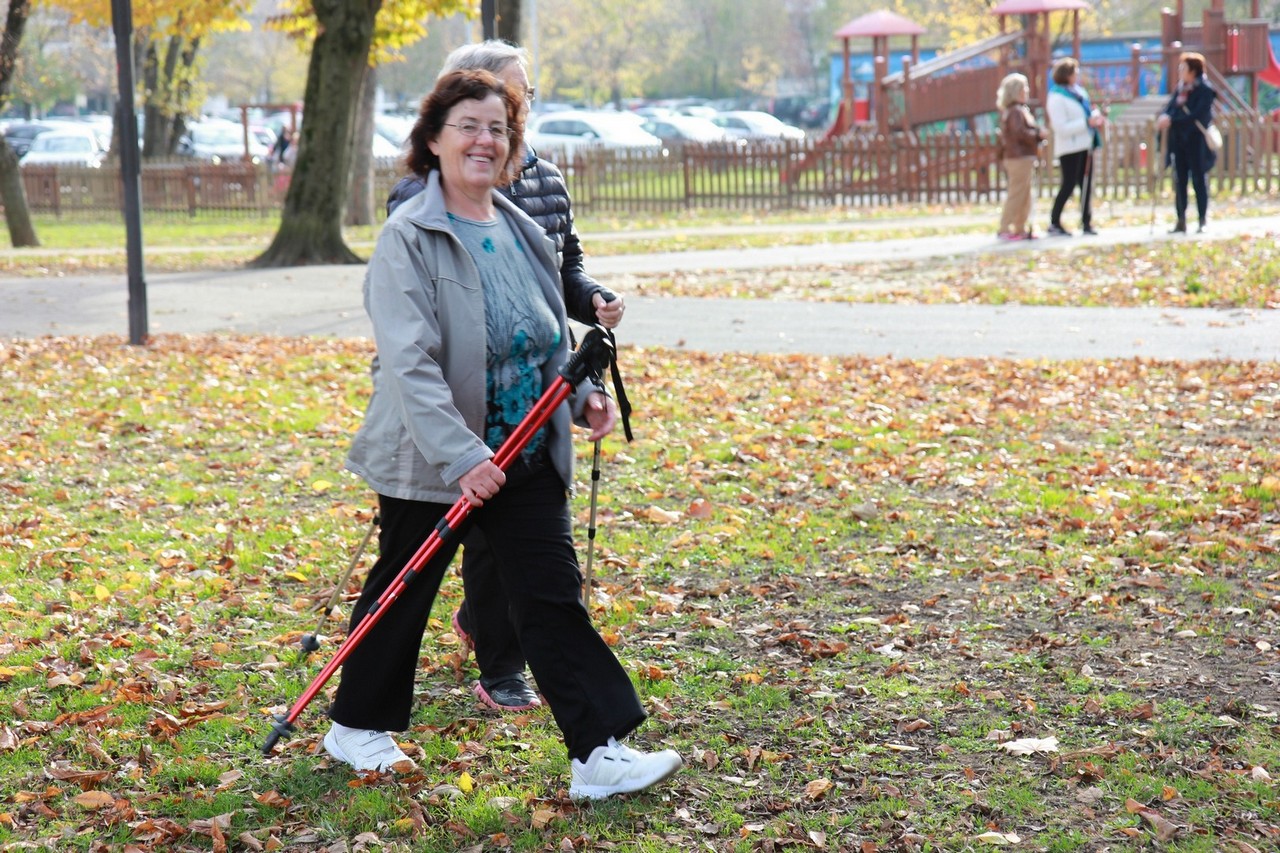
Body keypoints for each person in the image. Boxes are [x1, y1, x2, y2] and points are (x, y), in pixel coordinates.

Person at [325, 69, 682, 800]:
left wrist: (581, 396)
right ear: (433, 140)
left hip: (525, 450)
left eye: (498, 128)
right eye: (469, 126)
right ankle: (356, 727)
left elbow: (546, 339)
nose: (484, 140)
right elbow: (410, 362)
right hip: (434, 454)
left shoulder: (521, 230)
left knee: (551, 596)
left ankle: (597, 752)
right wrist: (463, 456)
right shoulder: (409, 237)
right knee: (404, 588)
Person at [386, 40, 625, 714]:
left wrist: (591, 306)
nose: (505, 118)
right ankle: (366, 706)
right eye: (495, 102)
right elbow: (412, 322)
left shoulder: (541, 185)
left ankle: (518, 678)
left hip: (531, 398)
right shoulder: (419, 199)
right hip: (452, 400)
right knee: (422, 559)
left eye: (518, 102)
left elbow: (559, 280)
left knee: (527, 552)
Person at [1156, 52, 1217, 234]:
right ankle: (1181, 220)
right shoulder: (1181, 89)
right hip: (1178, 142)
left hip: (1196, 141)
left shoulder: (1205, 90)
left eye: (1183, 68)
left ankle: (1202, 219)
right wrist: (1165, 117)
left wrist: (1173, 120)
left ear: (1193, 70)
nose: (1180, 72)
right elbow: (1170, 108)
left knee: (1198, 179)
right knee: (1179, 180)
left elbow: (1199, 115)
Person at [1046, 57, 1105, 237]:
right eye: (1075, 72)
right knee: (1069, 184)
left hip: (1086, 144)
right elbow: (1061, 128)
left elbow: (1086, 112)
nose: (1077, 75)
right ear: (1067, 74)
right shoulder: (1056, 97)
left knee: (1086, 184)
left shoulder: (1079, 93)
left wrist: (1095, 117)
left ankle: (1086, 221)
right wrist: (1086, 122)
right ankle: (1055, 221)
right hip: (1069, 148)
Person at [995, 73, 1046, 241]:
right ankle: (1005, 227)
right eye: (1024, 87)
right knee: (1017, 193)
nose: (1027, 90)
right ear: (1016, 91)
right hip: (1019, 157)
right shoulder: (1016, 112)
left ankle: (1020, 227)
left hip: (1021, 157)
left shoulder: (1015, 110)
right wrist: (1038, 134)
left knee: (1025, 194)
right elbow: (1019, 133)